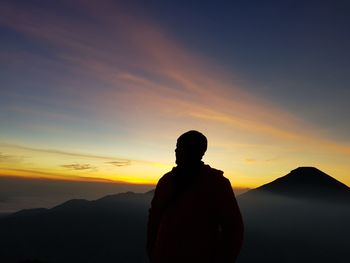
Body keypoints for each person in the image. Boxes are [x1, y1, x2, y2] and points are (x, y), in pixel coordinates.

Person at [147, 130, 244, 263]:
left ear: (197, 151)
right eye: (176, 147)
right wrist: (152, 250)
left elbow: (233, 229)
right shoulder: (166, 180)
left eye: (180, 147)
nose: (176, 151)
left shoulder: (216, 183)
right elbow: (154, 218)